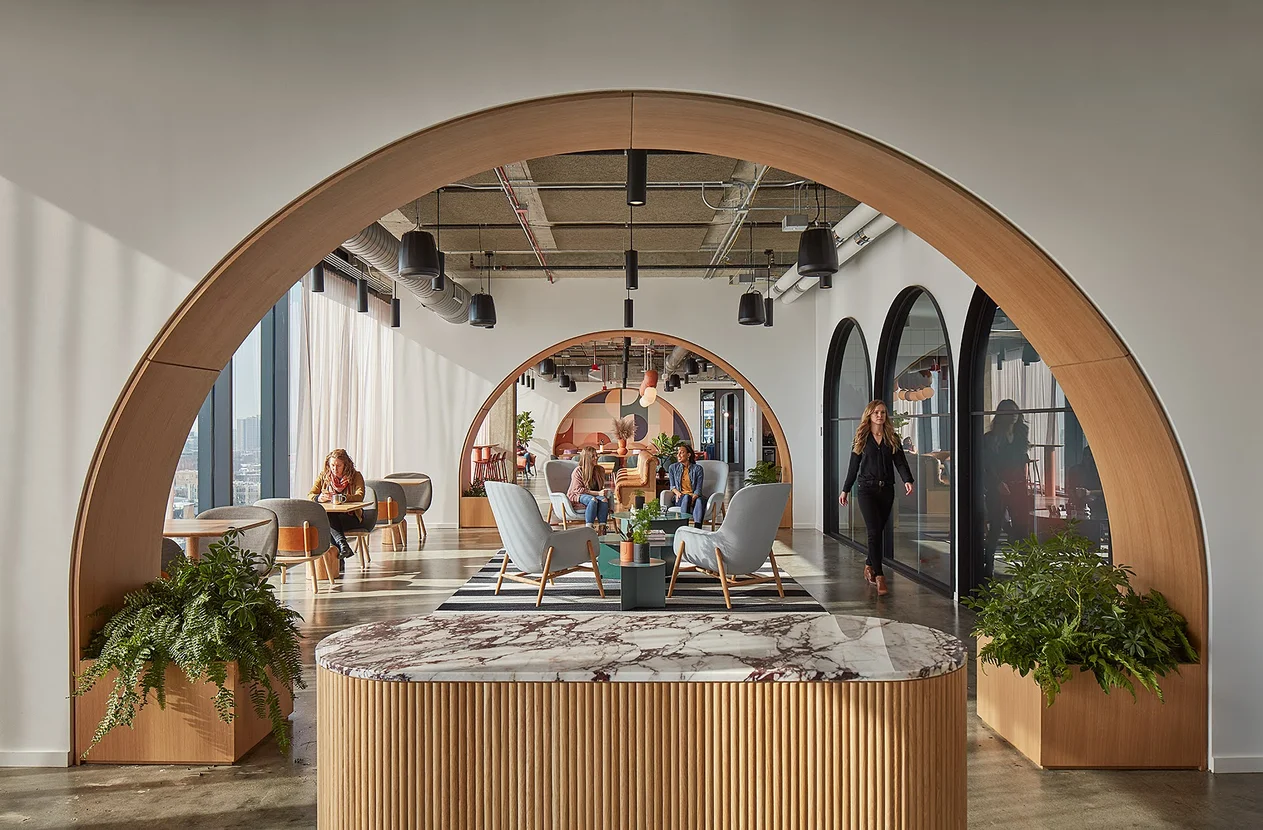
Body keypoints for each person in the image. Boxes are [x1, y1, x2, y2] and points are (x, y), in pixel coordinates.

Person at [838, 400, 915, 596]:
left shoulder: (892, 438)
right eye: (876, 413)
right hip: (866, 490)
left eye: (882, 412)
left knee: (878, 531)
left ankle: (868, 565)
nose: (880, 415)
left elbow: (900, 462)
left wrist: (907, 480)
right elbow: (853, 467)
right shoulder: (862, 439)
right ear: (869, 416)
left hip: (887, 490)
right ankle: (879, 575)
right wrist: (845, 489)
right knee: (873, 531)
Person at [981, 399, 1032, 579]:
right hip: (999, 485)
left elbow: (1021, 459)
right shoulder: (990, 438)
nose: (1013, 416)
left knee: (1022, 525)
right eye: (1009, 412)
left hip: (1018, 485)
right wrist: (996, 483)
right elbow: (987, 464)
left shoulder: (1020, 435)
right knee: (995, 526)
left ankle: (1027, 566)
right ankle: (988, 563)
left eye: (1015, 412)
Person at [308, 448, 366, 561]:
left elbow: (360, 495)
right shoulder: (324, 476)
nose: (335, 469)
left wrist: (342, 498)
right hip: (332, 518)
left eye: (338, 465)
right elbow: (311, 494)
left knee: (327, 522)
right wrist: (318, 498)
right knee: (328, 519)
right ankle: (343, 546)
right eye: (332, 465)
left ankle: (339, 559)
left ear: (346, 465)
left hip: (351, 517)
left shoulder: (356, 476)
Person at [567, 446, 611, 533]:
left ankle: (602, 528)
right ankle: (589, 529)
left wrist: (602, 493)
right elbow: (578, 490)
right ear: (587, 458)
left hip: (593, 494)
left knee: (604, 500)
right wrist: (598, 493)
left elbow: (599, 488)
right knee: (593, 500)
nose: (596, 458)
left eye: (596, 455)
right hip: (577, 495)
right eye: (593, 456)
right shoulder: (578, 471)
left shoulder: (599, 470)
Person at [665, 444, 707, 528]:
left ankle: (697, 528)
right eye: (678, 453)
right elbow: (672, 486)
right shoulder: (673, 468)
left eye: (682, 452)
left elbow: (698, 489)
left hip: (695, 497)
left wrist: (693, 498)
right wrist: (677, 493)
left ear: (688, 455)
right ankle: (683, 526)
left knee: (700, 500)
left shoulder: (698, 469)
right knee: (686, 497)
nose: (678, 455)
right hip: (681, 497)